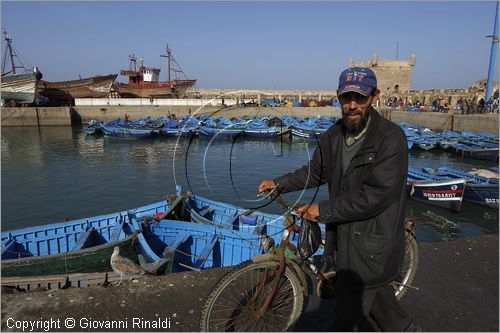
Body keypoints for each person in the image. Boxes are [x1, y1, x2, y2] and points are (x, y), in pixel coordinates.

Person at [258, 67, 418, 331]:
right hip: (343, 240)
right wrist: (280, 183)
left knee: (348, 319)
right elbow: (315, 171)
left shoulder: (390, 138)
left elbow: (376, 195)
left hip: (372, 245)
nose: (352, 105)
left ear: (374, 96)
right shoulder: (333, 136)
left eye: (360, 98)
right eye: (346, 98)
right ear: (338, 97)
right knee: (384, 311)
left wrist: (322, 210)